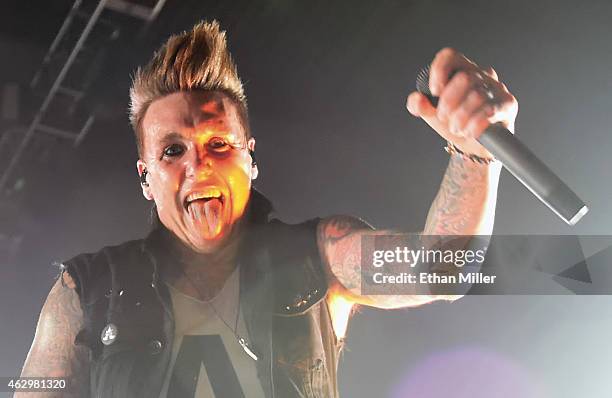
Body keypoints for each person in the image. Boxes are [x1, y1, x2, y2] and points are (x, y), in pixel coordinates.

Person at [17, 20, 518, 398]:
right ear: (146, 178)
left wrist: (476, 157)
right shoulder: (84, 292)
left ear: (250, 159)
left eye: (219, 144)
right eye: (172, 151)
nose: (198, 166)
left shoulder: (318, 258)